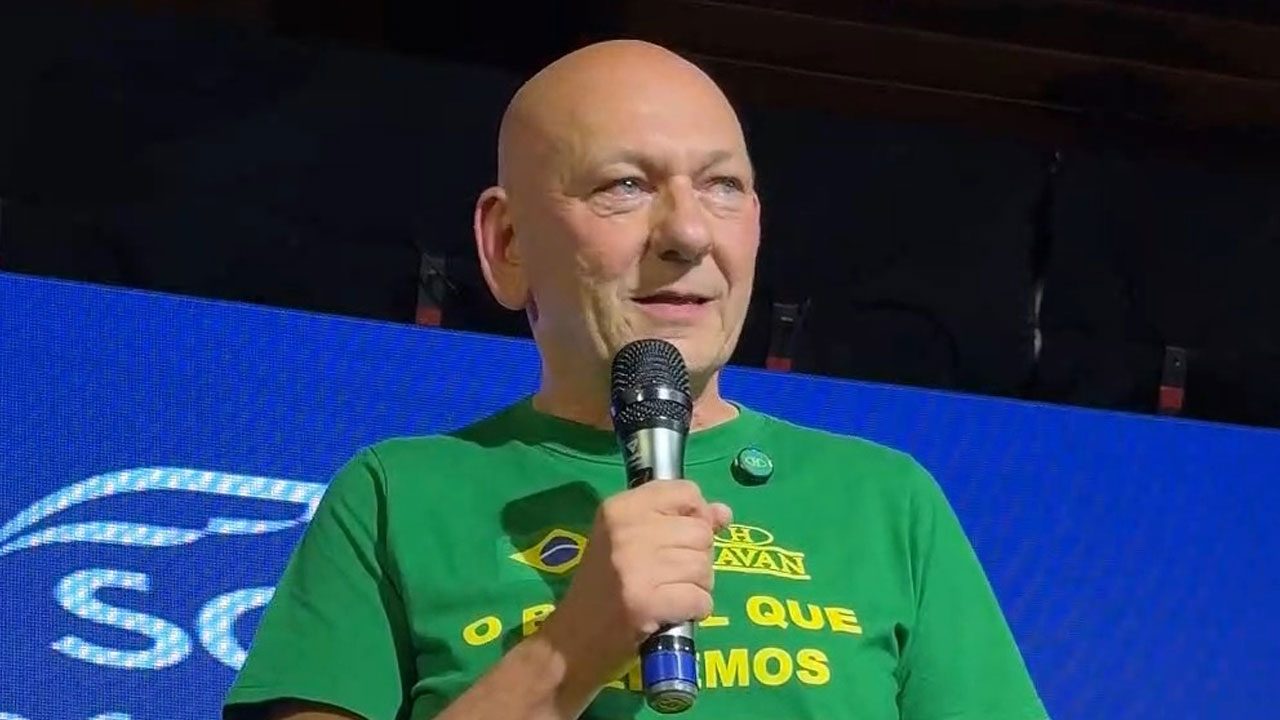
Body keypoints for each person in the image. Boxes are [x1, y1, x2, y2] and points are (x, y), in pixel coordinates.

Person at [224, 39, 1047, 720]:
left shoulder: (884, 501)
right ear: (508, 245)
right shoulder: (395, 497)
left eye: (722, 186)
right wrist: (568, 652)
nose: (688, 231)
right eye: (625, 185)